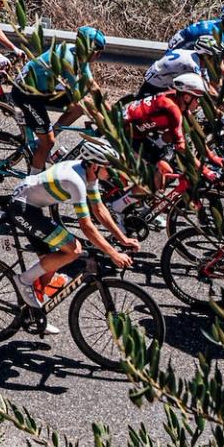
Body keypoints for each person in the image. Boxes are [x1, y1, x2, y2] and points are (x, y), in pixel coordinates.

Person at [8, 141, 137, 311]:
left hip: (31, 205)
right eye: (109, 167)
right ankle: (23, 281)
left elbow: (99, 209)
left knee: (52, 262)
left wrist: (123, 238)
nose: (112, 171)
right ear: (94, 166)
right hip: (23, 208)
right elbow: (86, 226)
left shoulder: (87, 174)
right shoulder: (75, 181)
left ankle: (32, 313)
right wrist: (113, 253)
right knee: (73, 249)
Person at [13, 27, 112, 171]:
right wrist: (104, 123)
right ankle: (31, 185)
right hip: (26, 93)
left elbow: (93, 87)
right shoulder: (67, 58)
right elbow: (81, 99)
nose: (99, 55)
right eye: (97, 51)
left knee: (77, 109)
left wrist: (114, 114)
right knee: (48, 142)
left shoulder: (78, 53)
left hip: (42, 89)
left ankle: (44, 137)